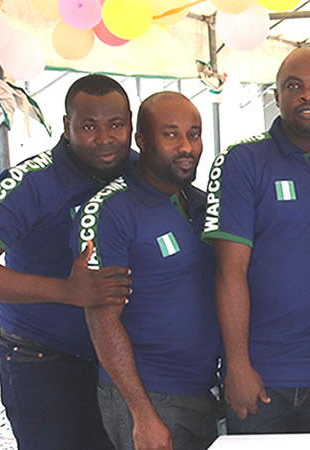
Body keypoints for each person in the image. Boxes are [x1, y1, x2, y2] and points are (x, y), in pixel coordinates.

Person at [0, 73, 134, 450]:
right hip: (42, 358)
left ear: (131, 124)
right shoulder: (31, 181)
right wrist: (67, 291)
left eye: (116, 125)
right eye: (89, 126)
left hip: (119, 358)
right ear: (66, 126)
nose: (105, 138)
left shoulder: (140, 172)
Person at [204, 48, 310, 434]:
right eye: (294, 86)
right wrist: (237, 366)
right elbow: (230, 270)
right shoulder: (243, 161)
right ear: (276, 95)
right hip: (261, 374)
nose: (308, 95)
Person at [80, 92, 221, 450]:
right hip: (151, 398)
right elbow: (102, 319)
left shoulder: (202, 204)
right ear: (141, 140)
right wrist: (142, 414)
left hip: (205, 390)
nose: (186, 147)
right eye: (170, 134)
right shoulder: (111, 210)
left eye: (194, 134)